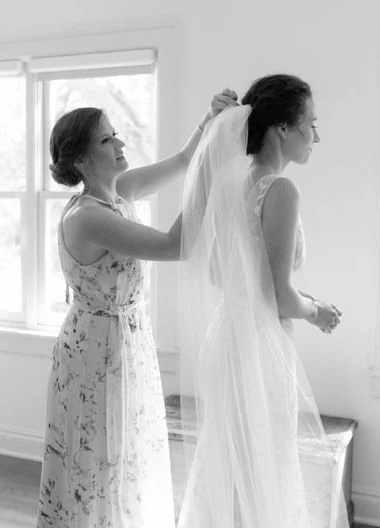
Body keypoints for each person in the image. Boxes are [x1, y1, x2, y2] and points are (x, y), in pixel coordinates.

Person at [37, 89, 237, 527]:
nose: (121, 145)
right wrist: (214, 174)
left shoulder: (118, 192)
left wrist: (210, 118)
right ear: (82, 159)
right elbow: (175, 245)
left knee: (128, 455)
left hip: (128, 341)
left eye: (116, 136)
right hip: (96, 350)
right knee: (99, 458)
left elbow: (184, 160)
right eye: (108, 141)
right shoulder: (86, 217)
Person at [176, 74, 347, 528]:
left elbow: (217, 271)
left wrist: (246, 291)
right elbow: (278, 296)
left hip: (225, 334)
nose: (316, 135)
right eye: (311, 123)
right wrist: (318, 311)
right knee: (264, 465)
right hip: (257, 344)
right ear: (283, 129)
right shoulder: (280, 189)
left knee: (230, 458)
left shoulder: (231, 183)